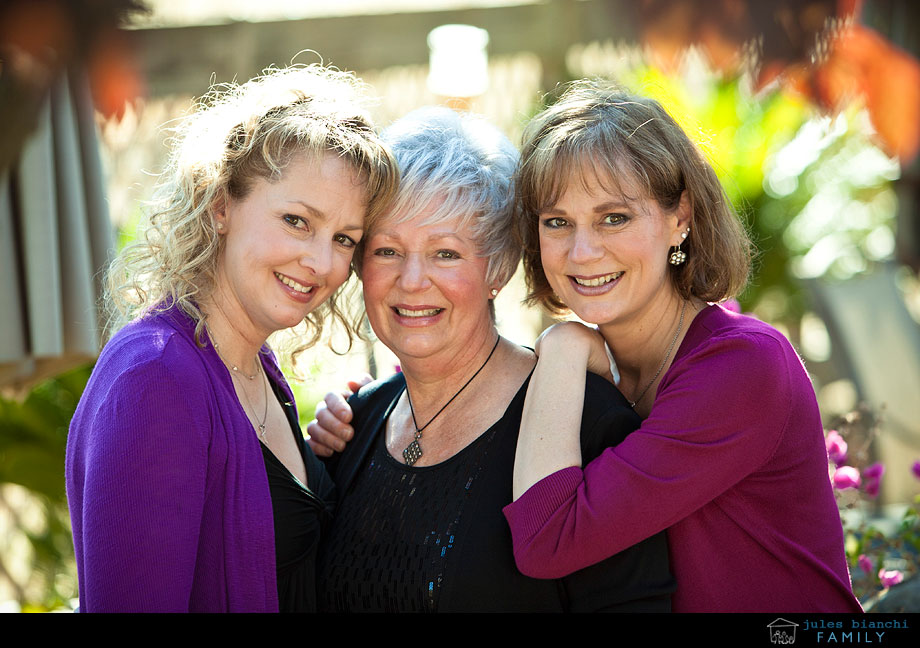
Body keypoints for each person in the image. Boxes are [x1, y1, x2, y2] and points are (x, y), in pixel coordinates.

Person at [502, 80, 862, 612]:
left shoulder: (742, 365)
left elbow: (547, 539)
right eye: (557, 222)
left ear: (680, 218)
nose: (582, 251)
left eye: (614, 217)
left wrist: (560, 344)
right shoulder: (604, 370)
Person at [309, 106, 674, 612]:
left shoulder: (586, 423)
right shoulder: (354, 426)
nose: (412, 281)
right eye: (388, 251)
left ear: (497, 267)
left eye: (446, 253)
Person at [65, 65, 397, 612]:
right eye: (296, 220)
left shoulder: (254, 365)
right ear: (221, 205)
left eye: (343, 239)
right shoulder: (156, 376)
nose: (320, 262)